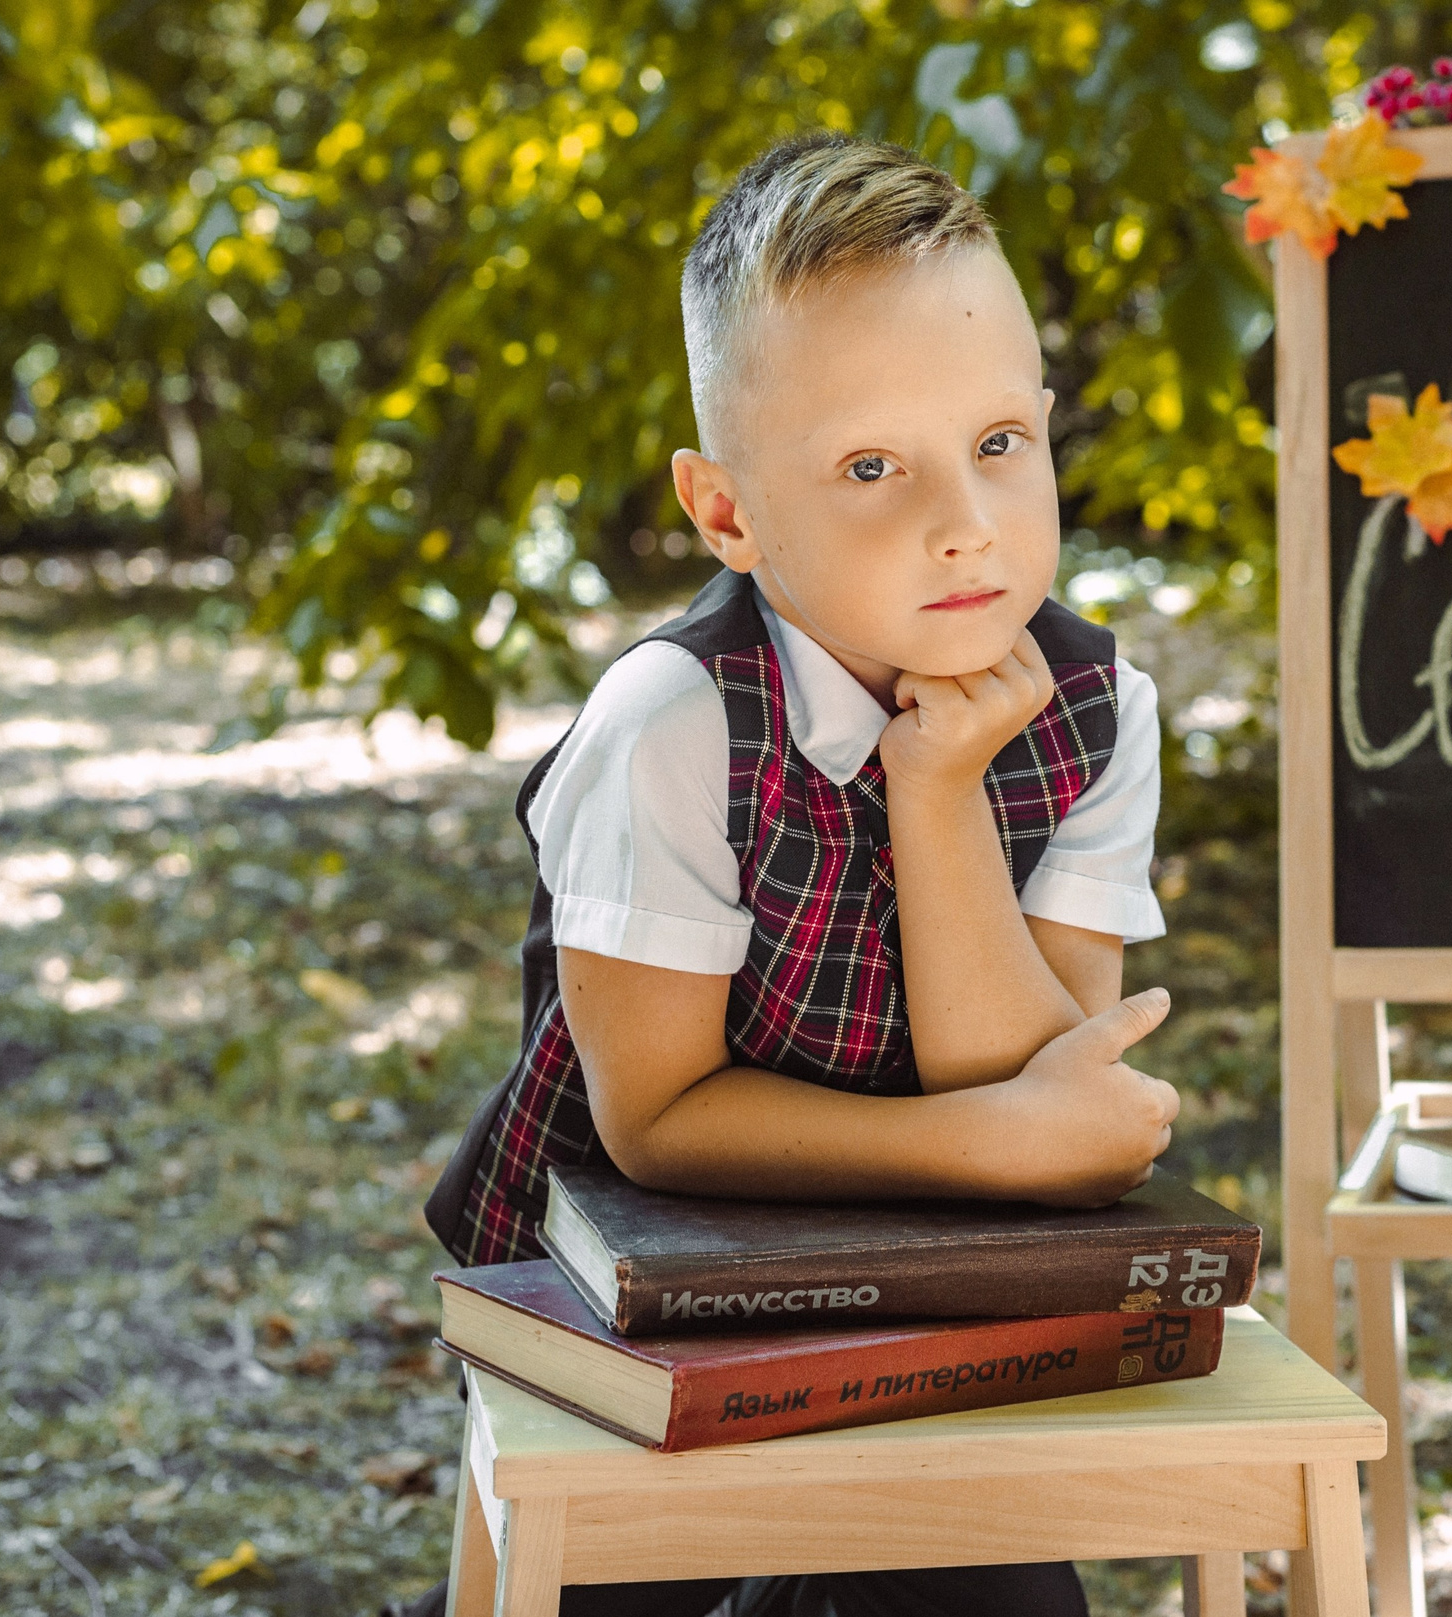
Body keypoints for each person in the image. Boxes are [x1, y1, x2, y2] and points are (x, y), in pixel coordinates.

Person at [392, 130, 1181, 1617]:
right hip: (635, 1304)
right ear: (728, 511)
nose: (966, 519)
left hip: (942, 1299)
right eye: (872, 466)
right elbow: (662, 1118)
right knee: (610, 1592)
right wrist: (1000, 1145)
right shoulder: (673, 722)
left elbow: (1031, 1078)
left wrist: (940, 796)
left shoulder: (1096, 709)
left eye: (1002, 442)